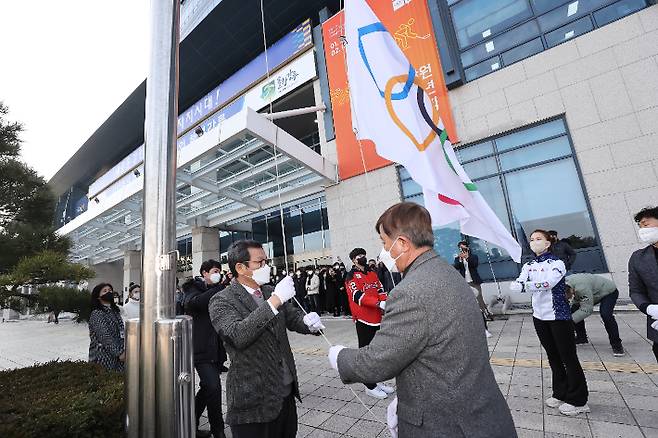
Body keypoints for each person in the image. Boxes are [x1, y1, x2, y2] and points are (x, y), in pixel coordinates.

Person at [329, 203, 516, 437]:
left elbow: (377, 362)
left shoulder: (410, 292)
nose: (384, 251)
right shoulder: (448, 272)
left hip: (447, 425)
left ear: (402, 244)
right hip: (478, 412)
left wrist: (339, 357)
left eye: (384, 243)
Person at [209, 240, 325, 438]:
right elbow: (237, 335)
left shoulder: (270, 291)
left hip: (285, 392)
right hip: (253, 400)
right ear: (240, 267)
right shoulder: (222, 300)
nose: (266, 267)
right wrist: (274, 301)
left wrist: (308, 323)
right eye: (260, 262)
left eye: (267, 261)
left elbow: (292, 317)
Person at [511, 229, 589, 416]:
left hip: (558, 316)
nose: (534, 242)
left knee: (568, 357)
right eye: (531, 239)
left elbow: (548, 283)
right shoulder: (528, 264)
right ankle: (560, 392)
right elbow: (520, 280)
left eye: (539, 239)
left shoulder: (558, 263)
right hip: (539, 316)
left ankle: (579, 400)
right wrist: (519, 284)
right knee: (553, 356)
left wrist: (523, 287)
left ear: (548, 243)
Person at [182, 259, 228, 438]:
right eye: (215, 271)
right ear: (204, 273)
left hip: (215, 348)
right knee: (214, 387)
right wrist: (219, 288)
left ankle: (190, 422)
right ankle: (218, 431)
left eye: (219, 271)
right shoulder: (192, 288)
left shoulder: (216, 290)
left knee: (208, 387)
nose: (218, 274)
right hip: (199, 348)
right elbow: (195, 303)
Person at [344, 247, 394, 399]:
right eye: (359, 256)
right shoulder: (351, 276)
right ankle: (369, 385)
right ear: (353, 260)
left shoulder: (372, 272)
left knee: (376, 353)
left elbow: (380, 289)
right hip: (363, 319)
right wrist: (378, 304)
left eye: (364, 255)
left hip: (377, 318)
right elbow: (357, 295)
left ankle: (376, 381)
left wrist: (385, 302)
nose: (363, 257)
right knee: (366, 354)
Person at [566, 273, 624, 356]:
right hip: (592, 291)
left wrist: (569, 322)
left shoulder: (581, 288)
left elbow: (587, 309)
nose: (569, 299)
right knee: (574, 310)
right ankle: (581, 337)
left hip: (608, 291)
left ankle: (617, 345)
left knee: (606, 314)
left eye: (569, 296)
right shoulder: (562, 284)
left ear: (571, 290)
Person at [629, 206, 658, 363]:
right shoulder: (638, 258)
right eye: (640, 226)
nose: (642, 230)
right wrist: (648, 308)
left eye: (646, 225)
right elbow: (635, 291)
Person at [88, 283, 125, 372]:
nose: (109, 292)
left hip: (118, 352)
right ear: (98, 297)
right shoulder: (97, 313)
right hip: (102, 355)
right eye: (105, 291)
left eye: (110, 290)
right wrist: (119, 353)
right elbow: (104, 335)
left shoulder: (114, 311)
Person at [453, 241, 493, 321]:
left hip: (474, 281)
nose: (462, 250)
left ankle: (486, 314)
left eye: (463, 248)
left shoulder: (473, 256)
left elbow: (474, 265)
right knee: (466, 299)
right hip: (464, 282)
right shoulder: (458, 258)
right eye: (460, 248)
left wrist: (467, 258)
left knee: (479, 298)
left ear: (467, 248)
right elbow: (456, 267)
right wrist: (461, 259)